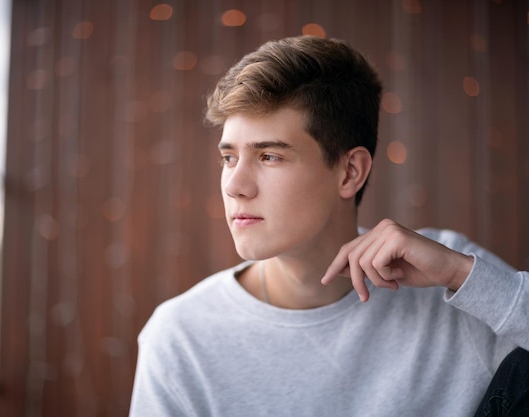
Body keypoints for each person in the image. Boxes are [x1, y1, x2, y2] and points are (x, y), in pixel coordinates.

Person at [129, 36, 529, 416]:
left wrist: (464, 275)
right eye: (229, 158)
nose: (234, 186)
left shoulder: (451, 281)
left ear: (350, 172)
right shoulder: (181, 338)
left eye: (269, 157)